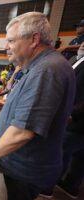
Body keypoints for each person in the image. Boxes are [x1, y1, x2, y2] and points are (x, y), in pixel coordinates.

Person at [0, 12, 75, 200]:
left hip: (24, 170)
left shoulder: (46, 70)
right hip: (26, 167)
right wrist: (3, 123)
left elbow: (23, 132)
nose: (7, 47)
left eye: (11, 40)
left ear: (34, 39)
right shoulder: (45, 66)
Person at [40, 42, 84, 199]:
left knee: (60, 153)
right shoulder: (73, 59)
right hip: (69, 117)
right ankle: (71, 186)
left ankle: (47, 187)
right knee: (77, 157)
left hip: (75, 121)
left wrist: (71, 114)